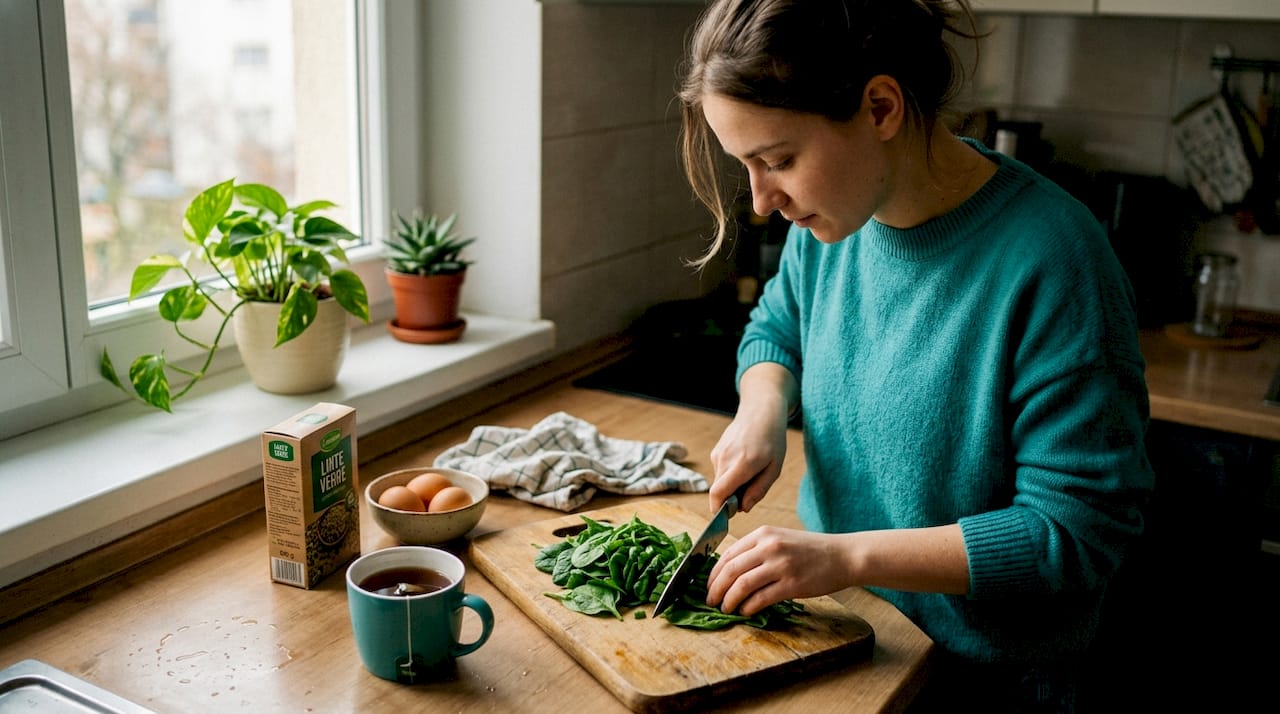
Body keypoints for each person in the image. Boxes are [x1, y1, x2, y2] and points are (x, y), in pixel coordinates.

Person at [675, 1, 1155, 710]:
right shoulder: (833, 222)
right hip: (848, 633)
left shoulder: (1056, 259)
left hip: (983, 683)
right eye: (747, 166)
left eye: (777, 160)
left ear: (879, 107)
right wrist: (763, 407)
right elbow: (777, 326)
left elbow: (1075, 531)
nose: (760, 200)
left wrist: (844, 556)